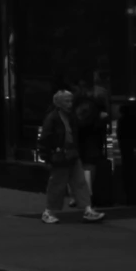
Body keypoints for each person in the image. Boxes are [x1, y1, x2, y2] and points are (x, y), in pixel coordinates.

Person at [37, 88, 102, 224]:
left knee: (80, 182)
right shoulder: (53, 118)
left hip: (71, 154)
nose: (70, 103)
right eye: (66, 101)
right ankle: (49, 211)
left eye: (71, 101)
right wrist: (47, 157)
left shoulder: (70, 116)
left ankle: (87, 209)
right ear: (58, 103)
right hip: (61, 155)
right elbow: (45, 138)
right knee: (57, 184)